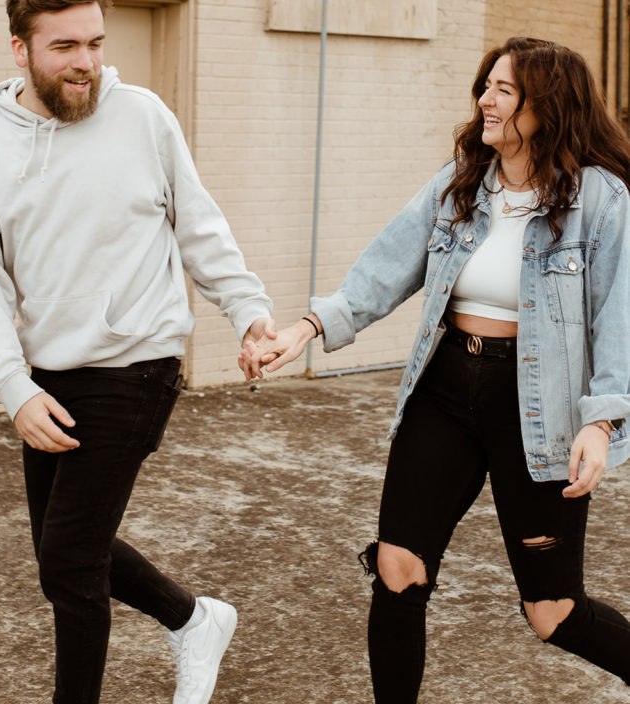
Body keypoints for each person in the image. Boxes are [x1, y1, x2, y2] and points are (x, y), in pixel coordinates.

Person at [239, 36, 630, 702]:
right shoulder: (461, 183)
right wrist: (306, 329)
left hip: (537, 409)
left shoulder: (598, 199)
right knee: (398, 568)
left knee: (551, 612)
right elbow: (385, 266)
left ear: (549, 104)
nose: (486, 100)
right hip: (445, 392)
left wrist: (603, 420)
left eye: (504, 90)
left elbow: (617, 314)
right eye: (485, 86)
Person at [0, 0, 276, 704]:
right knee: (64, 551)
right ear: (19, 49)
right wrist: (10, 387)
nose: (87, 63)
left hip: (137, 365)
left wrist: (248, 311)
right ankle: (195, 619)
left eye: (96, 43)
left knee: (67, 561)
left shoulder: (143, 117)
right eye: (65, 46)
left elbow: (199, 227)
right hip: (45, 375)